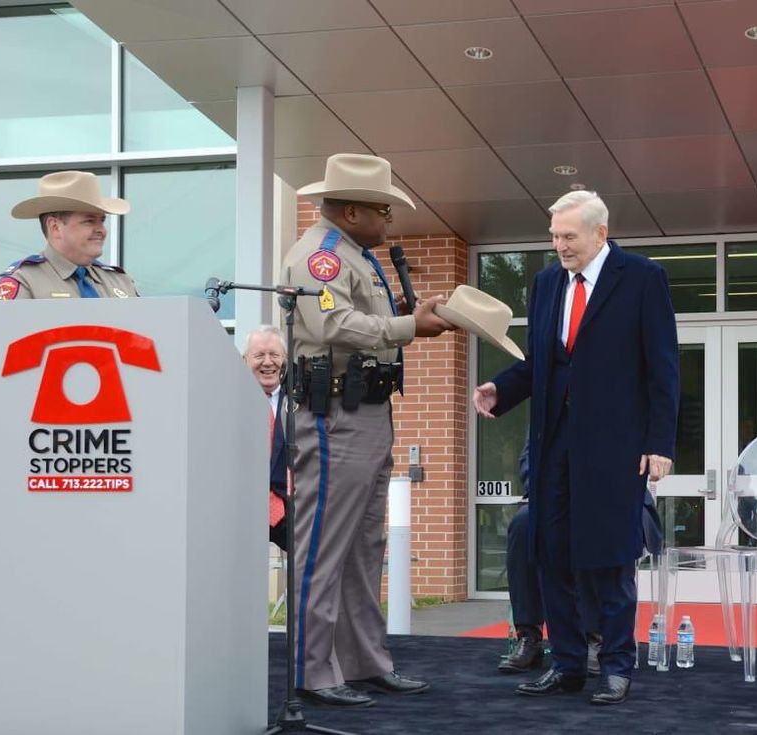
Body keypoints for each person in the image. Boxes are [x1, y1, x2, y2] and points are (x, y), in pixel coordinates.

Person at [473, 190, 679, 706]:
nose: (559, 246)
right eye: (554, 236)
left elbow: (663, 368)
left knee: (608, 558)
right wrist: (502, 389)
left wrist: (659, 443)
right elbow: (541, 361)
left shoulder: (641, 278)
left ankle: (614, 666)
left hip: (615, 447)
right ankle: (566, 665)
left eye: (569, 237)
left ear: (600, 234)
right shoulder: (546, 284)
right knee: (551, 552)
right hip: (553, 442)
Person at [285, 153, 453, 708]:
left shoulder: (356, 255)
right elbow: (332, 323)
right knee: (325, 546)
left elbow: (367, 324)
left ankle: (363, 661)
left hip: (369, 412)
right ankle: (314, 670)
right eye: (382, 210)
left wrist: (411, 314)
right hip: (334, 417)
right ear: (351, 210)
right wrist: (410, 325)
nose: (389, 221)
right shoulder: (322, 257)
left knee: (365, 546)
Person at [500, 438, 603, 677]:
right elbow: (529, 459)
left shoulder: (610, 405)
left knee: (588, 527)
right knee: (524, 525)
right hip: (552, 497)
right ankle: (529, 636)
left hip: (606, 501)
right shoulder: (549, 405)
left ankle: (595, 638)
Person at [0, 170, 139, 300]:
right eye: (89, 221)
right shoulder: (25, 281)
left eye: (102, 221)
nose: (101, 230)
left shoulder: (120, 281)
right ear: (55, 227)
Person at [241, 326, 289, 550]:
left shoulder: (302, 400)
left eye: (274, 355)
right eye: (259, 355)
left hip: (289, 507)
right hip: (241, 508)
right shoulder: (228, 399)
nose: (268, 362)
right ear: (244, 360)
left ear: (285, 360)